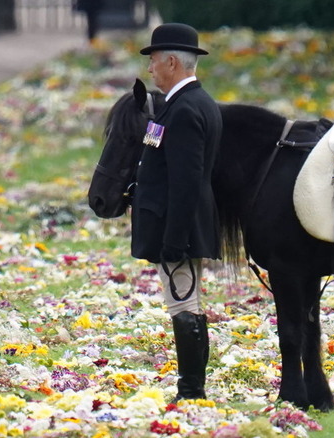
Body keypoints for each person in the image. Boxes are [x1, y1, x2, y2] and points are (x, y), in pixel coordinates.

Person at [133, 23, 222, 401]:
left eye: (153, 61)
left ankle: (191, 391)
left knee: (183, 304)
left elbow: (186, 181)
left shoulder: (185, 109)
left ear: (171, 62)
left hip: (177, 228)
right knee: (189, 303)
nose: (150, 70)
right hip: (177, 224)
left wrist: (174, 239)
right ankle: (192, 387)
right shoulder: (187, 104)